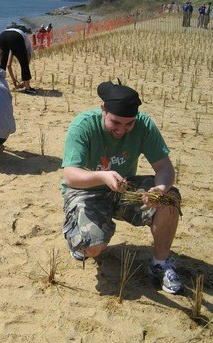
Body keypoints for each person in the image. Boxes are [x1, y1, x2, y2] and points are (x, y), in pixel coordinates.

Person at [61, 81, 183, 294]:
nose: (121, 130)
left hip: (124, 188)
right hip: (86, 190)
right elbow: (71, 176)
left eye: (129, 125)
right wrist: (101, 175)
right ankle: (83, 237)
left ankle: (160, 263)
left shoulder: (144, 125)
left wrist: (160, 189)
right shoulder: (83, 125)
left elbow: (164, 167)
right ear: (103, 111)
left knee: (170, 198)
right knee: (92, 248)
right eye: (115, 123)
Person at [0, 25, 36, 94]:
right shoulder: (27, 44)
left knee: (2, 64)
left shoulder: (14, 40)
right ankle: (28, 88)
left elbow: (8, 65)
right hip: (16, 37)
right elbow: (26, 63)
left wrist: (13, 79)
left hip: (1, 36)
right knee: (24, 64)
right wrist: (25, 81)